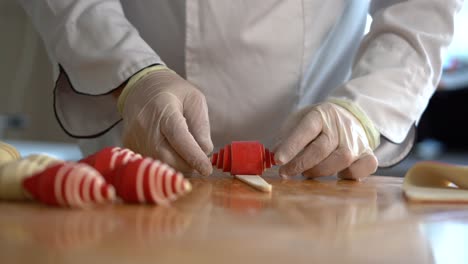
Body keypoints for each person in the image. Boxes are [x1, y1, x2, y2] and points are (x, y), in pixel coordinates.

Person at [17, 1, 463, 179]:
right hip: (136, 141)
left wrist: (363, 112)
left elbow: (423, 6)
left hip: (318, 168)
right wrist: (132, 75)